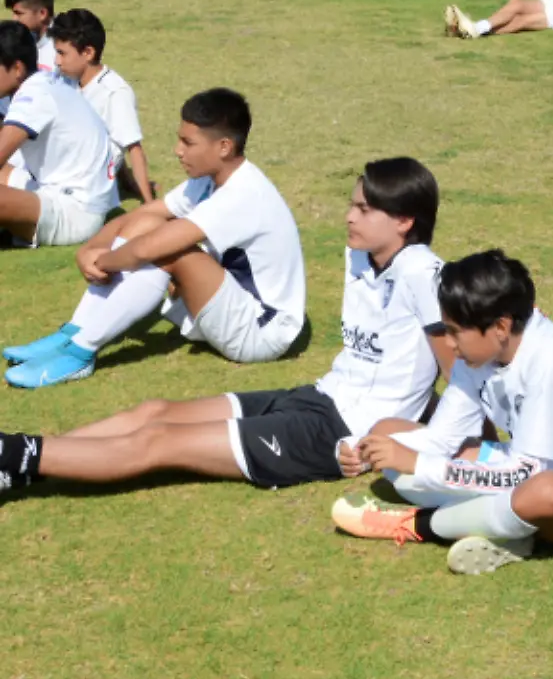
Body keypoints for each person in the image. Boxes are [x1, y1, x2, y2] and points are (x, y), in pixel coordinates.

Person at [0, 159, 451, 493]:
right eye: (353, 205)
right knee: (153, 412)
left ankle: (14, 451)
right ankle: (18, 471)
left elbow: (460, 375)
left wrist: (449, 449)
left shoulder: (420, 273)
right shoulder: (360, 254)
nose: (350, 217)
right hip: (319, 396)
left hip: (337, 433)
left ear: (404, 221)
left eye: (366, 210)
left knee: (159, 442)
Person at [327, 250, 553, 575]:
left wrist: (417, 463)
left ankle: (417, 524)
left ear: (500, 327)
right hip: (518, 465)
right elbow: (442, 438)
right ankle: (500, 530)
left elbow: (527, 474)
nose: (448, 343)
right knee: (386, 433)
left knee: (547, 492)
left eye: (455, 331)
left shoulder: (551, 361)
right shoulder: (477, 357)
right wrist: (362, 448)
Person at [3, 88, 305, 389]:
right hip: (230, 306)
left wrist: (103, 261)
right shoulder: (209, 180)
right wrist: (91, 248)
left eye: (188, 142)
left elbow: (149, 249)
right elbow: (143, 216)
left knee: (169, 251)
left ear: (224, 147)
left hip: (261, 333)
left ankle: (81, 352)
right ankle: (72, 334)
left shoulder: (242, 194)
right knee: (149, 222)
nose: (177, 150)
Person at [0, 22, 116, 252]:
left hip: (77, 212)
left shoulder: (35, 95)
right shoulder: (44, 81)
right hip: (63, 193)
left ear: (17, 68)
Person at [49, 9, 155, 203]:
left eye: (62, 53)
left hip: (79, 188)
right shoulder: (68, 81)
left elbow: (133, 148)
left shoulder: (114, 93)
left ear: (88, 52)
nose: (57, 61)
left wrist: (148, 203)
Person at [4, 0, 58, 74]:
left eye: (19, 13)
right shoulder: (24, 37)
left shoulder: (62, 50)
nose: (14, 19)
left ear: (42, 13)